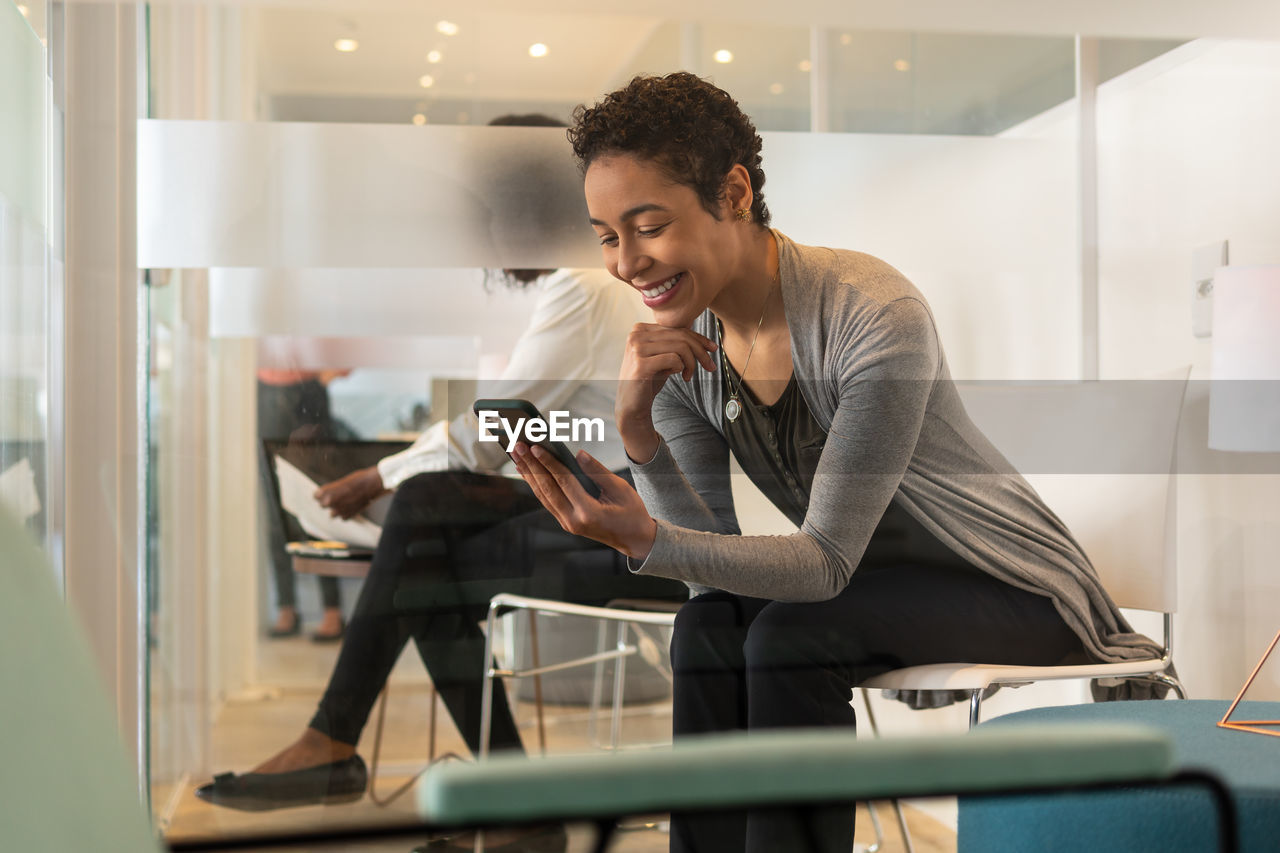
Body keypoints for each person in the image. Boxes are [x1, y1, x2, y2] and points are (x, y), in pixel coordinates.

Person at [509, 73, 1167, 853]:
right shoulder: (686, 360)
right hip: (876, 586)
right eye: (608, 238)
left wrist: (646, 537)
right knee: (706, 626)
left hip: (1015, 586)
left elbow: (822, 564)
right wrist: (639, 435)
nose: (626, 264)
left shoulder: (872, 314)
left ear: (734, 192)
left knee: (788, 636)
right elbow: (711, 578)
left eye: (648, 226)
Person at [196, 117, 687, 847]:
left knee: (422, 556)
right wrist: (393, 477)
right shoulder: (583, 286)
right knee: (422, 551)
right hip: (601, 506)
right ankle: (494, 808)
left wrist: (377, 475)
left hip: (638, 529)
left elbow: (493, 428)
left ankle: (361, 751)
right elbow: (507, 428)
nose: (485, 232)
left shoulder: (584, 287)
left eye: (489, 213)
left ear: (529, 209)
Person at [257, 368, 351, 641]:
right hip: (265, 389)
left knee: (319, 504)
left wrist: (325, 374)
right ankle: (286, 608)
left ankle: (331, 609)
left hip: (308, 389)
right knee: (275, 513)